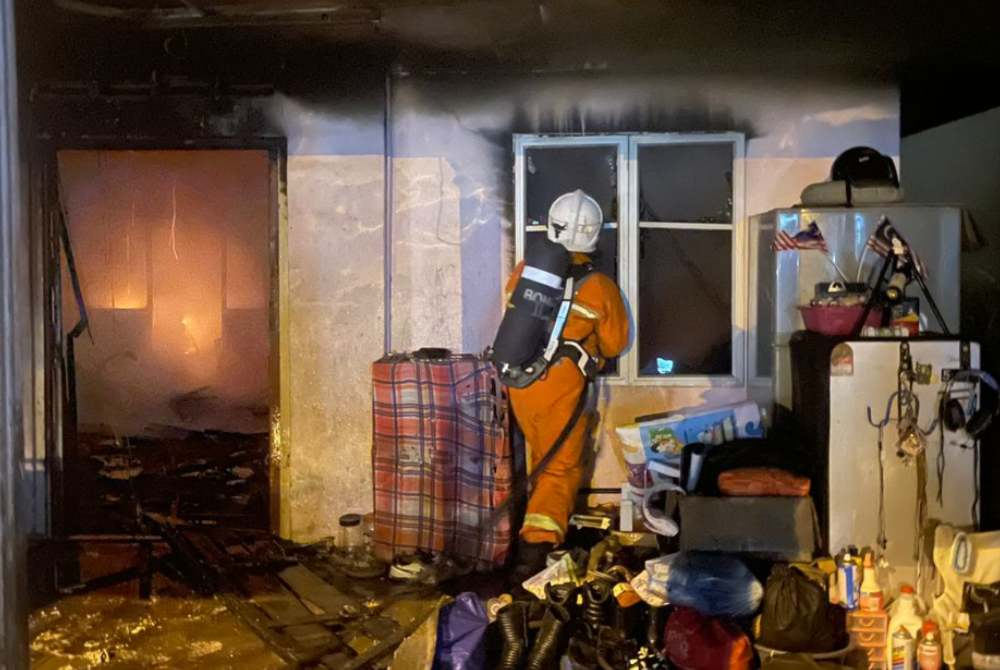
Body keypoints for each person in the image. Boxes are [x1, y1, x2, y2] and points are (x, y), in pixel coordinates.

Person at [505, 189, 630, 581]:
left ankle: (537, 529)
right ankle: (535, 552)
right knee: (560, 465)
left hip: (521, 379)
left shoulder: (526, 271)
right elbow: (615, 343)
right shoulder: (599, 287)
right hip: (561, 382)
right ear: (593, 236)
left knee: (541, 456)